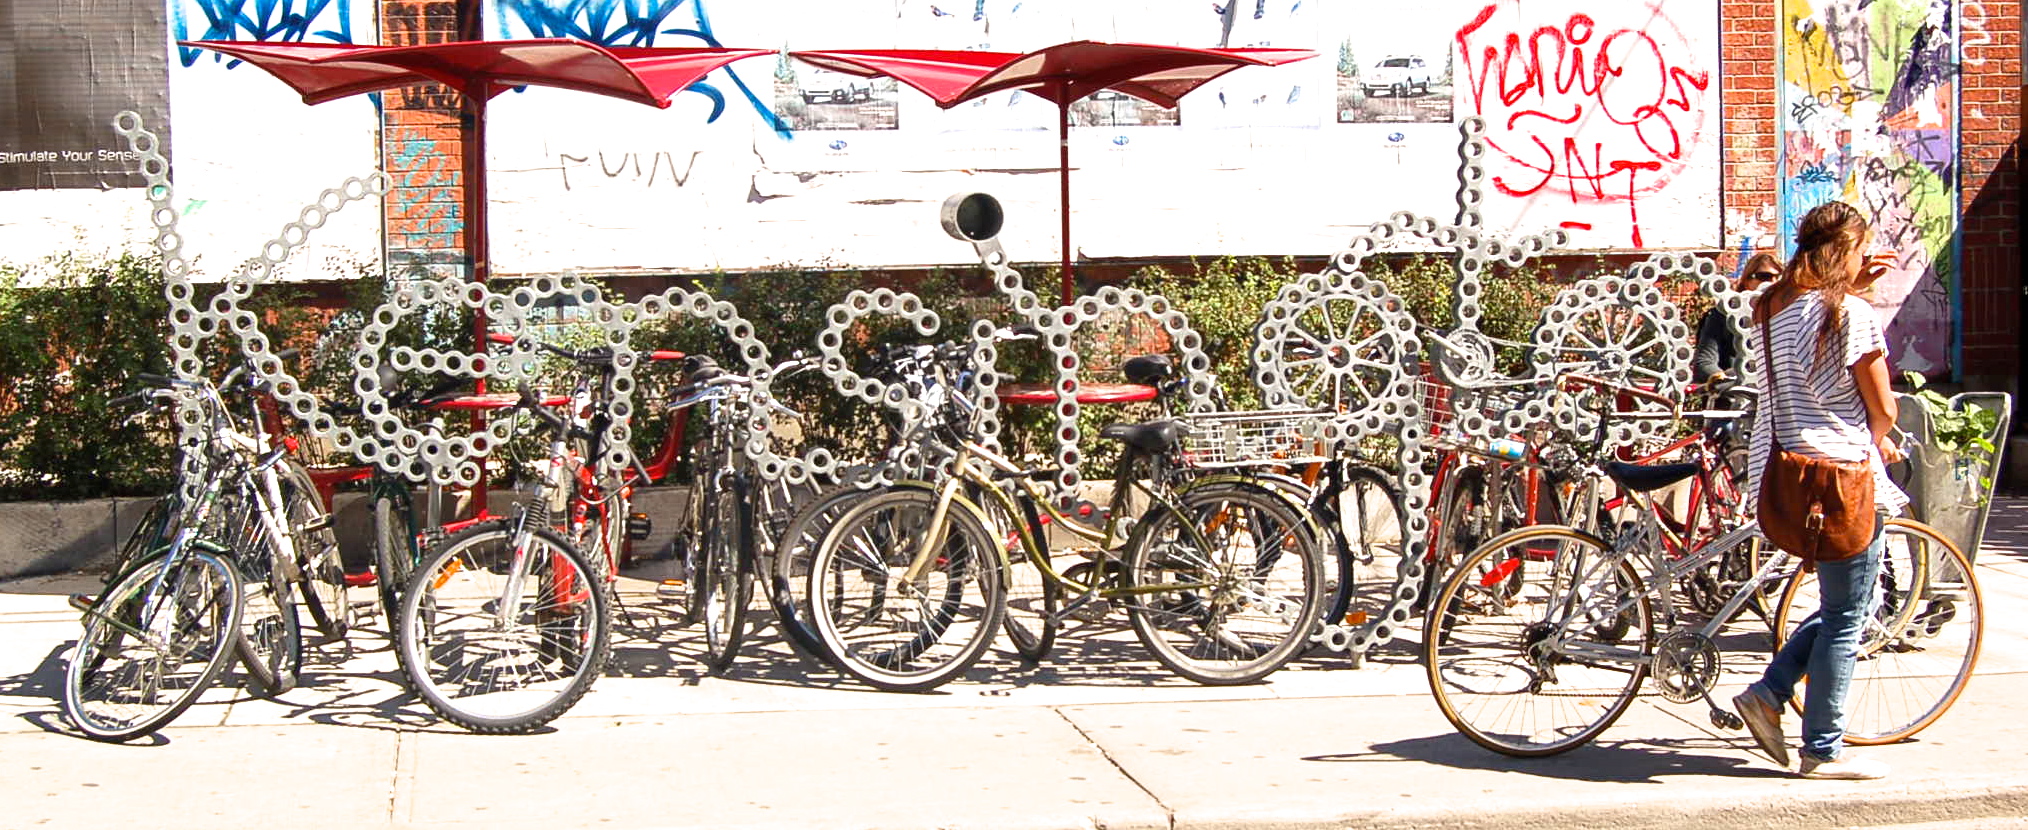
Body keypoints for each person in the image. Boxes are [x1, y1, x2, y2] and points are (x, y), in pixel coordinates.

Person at [1731, 201, 1907, 780]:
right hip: (1842, 477)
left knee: (1843, 607)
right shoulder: (1851, 313)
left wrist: (1851, 286)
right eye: (1860, 250)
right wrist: (1879, 435)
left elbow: (1811, 343)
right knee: (1848, 616)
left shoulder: (1770, 306)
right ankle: (1821, 748)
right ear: (1846, 251)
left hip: (1785, 470)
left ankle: (1770, 692)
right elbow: (1883, 408)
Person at [1693, 252, 1781, 384]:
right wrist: (1728, 381)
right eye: (1764, 277)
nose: (1773, 283)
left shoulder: (1786, 315)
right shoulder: (1723, 314)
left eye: (1779, 277)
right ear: (1747, 280)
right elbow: (1705, 362)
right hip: (1735, 391)